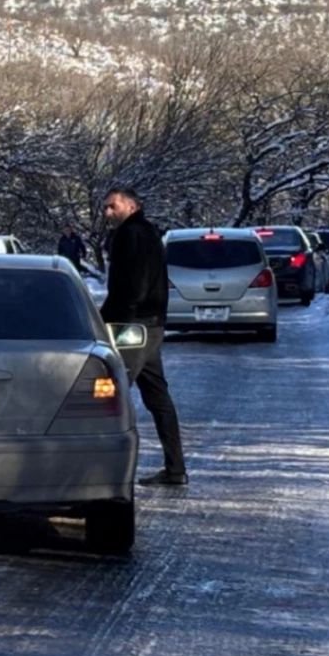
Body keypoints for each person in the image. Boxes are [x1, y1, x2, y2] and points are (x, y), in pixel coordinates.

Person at [99, 187, 187, 486]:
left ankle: (104, 475)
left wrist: (113, 318)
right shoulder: (150, 232)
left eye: (113, 206)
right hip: (151, 324)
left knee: (109, 395)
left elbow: (132, 286)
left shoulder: (130, 234)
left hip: (134, 327)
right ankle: (175, 469)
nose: (107, 213)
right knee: (157, 397)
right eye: (105, 208)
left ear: (132, 205)